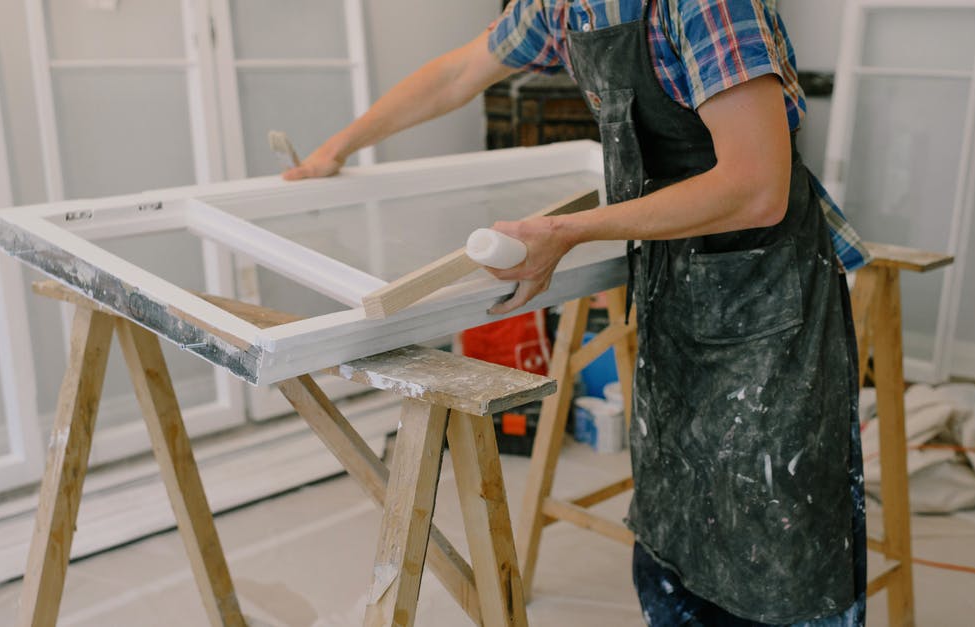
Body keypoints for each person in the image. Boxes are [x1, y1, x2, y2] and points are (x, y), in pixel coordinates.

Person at [285, 1, 871, 624]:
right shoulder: (563, 5)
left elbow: (756, 186)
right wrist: (335, 149)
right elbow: (456, 74)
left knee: (774, 523)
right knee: (678, 504)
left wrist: (567, 231)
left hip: (764, 290)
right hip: (674, 276)